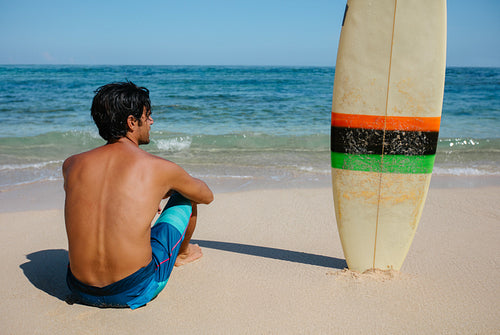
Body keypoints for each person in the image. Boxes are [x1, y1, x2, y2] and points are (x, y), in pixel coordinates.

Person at [63, 81, 213, 309]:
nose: (151, 121)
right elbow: (206, 195)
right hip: (134, 290)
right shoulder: (157, 168)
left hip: (78, 288)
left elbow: (104, 198)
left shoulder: (72, 164)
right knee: (186, 196)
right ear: (132, 122)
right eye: (148, 116)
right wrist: (170, 186)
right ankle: (182, 254)